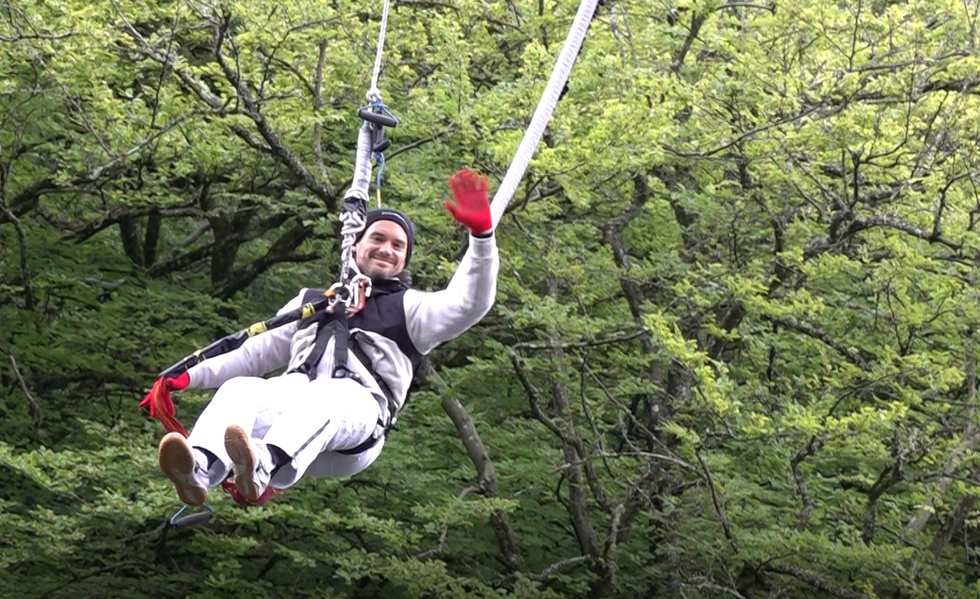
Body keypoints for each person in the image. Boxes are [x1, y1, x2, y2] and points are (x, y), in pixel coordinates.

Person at [142, 169, 498, 506]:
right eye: (377, 238)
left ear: (405, 260)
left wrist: (481, 238)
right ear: (356, 246)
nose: (386, 249)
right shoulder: (313, 301)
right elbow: (252, 353)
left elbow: (469, 303)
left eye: (397, 245)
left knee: (329, 394)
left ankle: (263, 465)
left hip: (356, 422)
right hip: (297, 403)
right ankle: (200, 467)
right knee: (241, 389)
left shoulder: (412, 310)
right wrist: (186, 376)